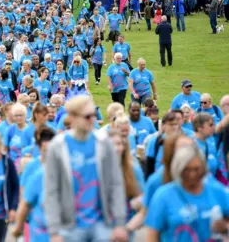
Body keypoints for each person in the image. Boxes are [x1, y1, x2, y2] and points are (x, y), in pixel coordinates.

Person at [45, 95, 128, 242]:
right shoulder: (58, 147)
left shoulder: (104, 143)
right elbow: (51, 190)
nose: (93, 120)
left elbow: (116, 183)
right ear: (72, 117)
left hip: (101, 225)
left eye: (94, 115)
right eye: (87, 116)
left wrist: (120, 223)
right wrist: (54, 231)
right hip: (70, 227)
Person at [145, 143, 229, 241]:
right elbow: (152, 236)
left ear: (204, 168)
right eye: (187, 170)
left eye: (196, 169)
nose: (192, 175)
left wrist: (226, 227)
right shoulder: (163, 196)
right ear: (178, 169)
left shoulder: (217, 191)